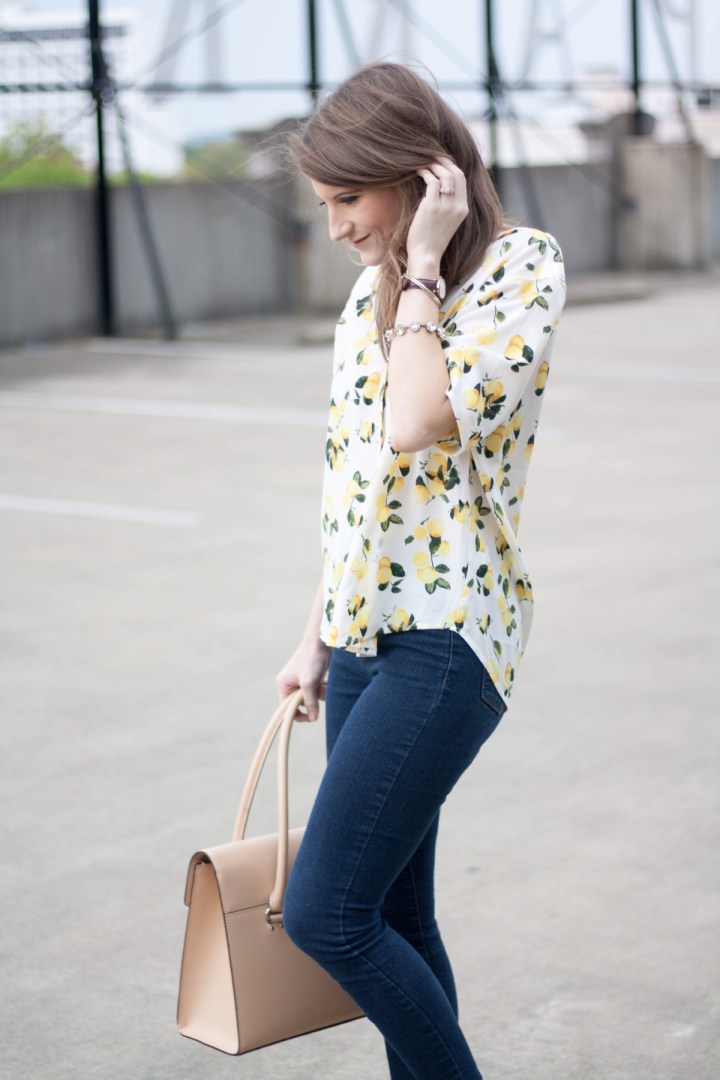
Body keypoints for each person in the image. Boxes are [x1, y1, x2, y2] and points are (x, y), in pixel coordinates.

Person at [276, 62, 566, 1080]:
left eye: (347, 199)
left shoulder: (520, 267)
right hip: (361, 641)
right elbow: (355, 481)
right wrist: (314, 636)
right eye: (324, 206)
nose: (339, 229)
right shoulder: (370, 298)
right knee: (395, 912)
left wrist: (427, 272)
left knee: (327, 915)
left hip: (446, 646)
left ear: (419, 173)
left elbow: (412, 424)